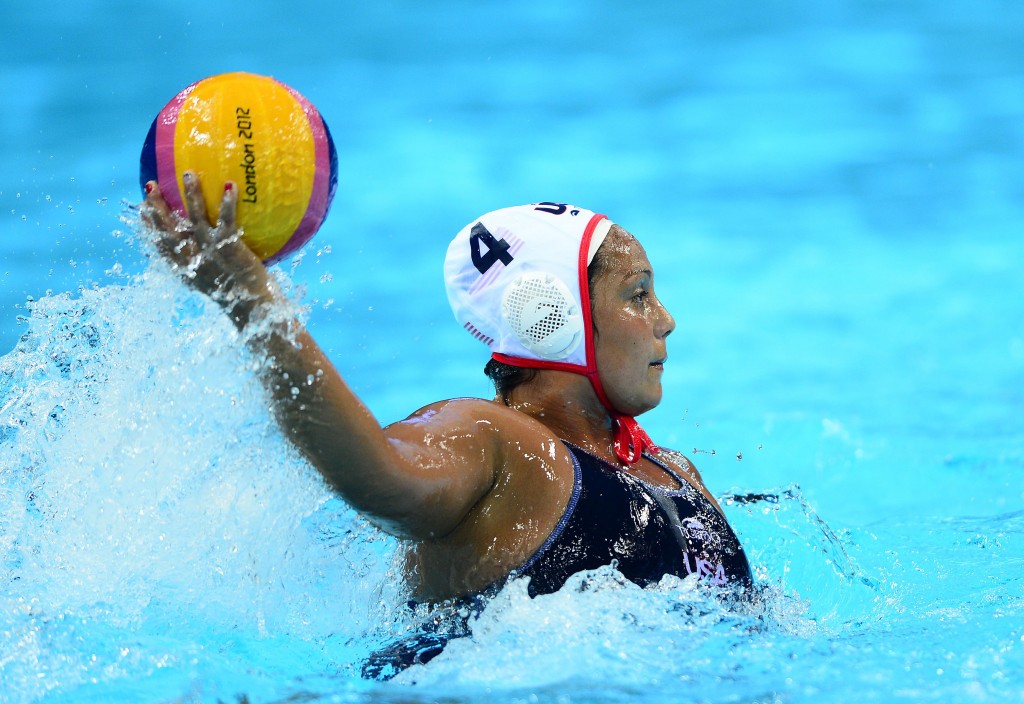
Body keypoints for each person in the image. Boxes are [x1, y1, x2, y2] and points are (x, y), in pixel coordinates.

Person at [141, 173, 752, 677]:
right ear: (552, 314)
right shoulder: (493, 442)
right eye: (637, 294)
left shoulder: (675, 473)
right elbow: (374, 477)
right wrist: (254, 304)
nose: (665, 320)